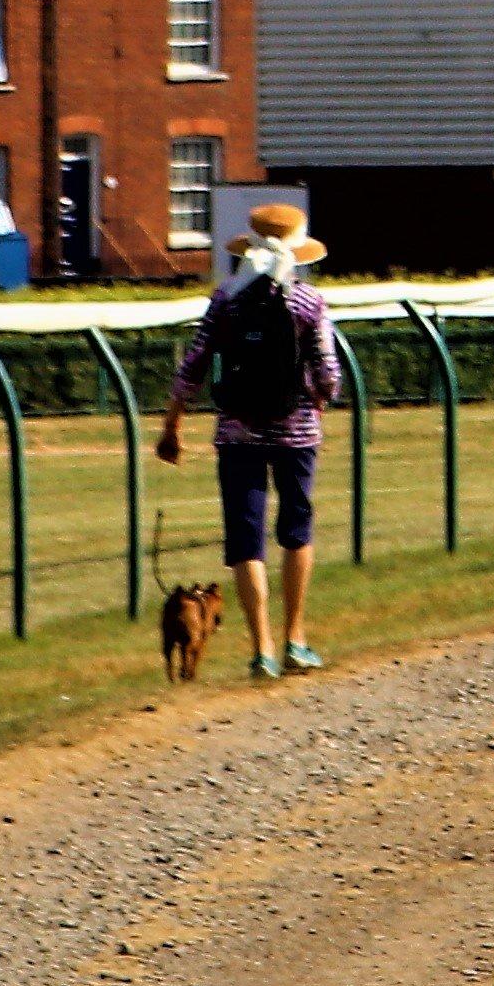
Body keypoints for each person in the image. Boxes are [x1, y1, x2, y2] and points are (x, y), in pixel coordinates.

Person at [157, 205, 349, 681]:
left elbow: (194, 363)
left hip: (237, 432)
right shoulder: (309, 301)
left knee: (246, 537)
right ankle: (295, 639)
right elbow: (328, 374)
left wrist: (172, 424)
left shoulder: (226, 298)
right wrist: (320, 399)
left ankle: (262, 649)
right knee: (296, 529)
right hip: (297, 432)